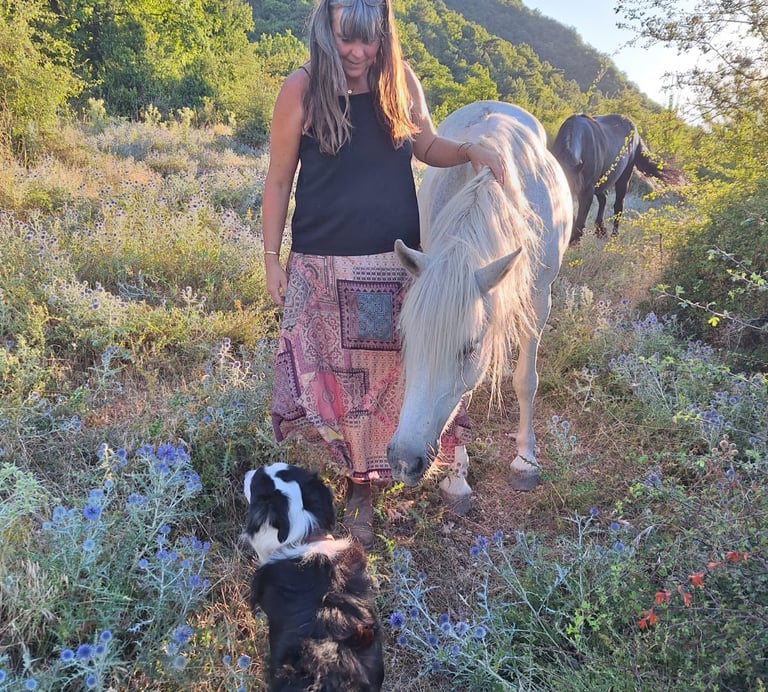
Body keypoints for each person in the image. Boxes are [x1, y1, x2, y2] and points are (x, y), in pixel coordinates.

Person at [261, 0, 505, 548]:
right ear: (326, 29)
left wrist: (470, 151)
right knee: (340, 386)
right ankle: (358, 485)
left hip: (393, 266)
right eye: (348, 39)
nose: (358, 52)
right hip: (322, 267)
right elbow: (278, 182)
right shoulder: (299, 90)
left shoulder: (398, 81)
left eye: (369, 40)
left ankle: (389, 468)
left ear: (384, 37)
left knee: (391, 379)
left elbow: (426, 145)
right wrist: (272, 258)